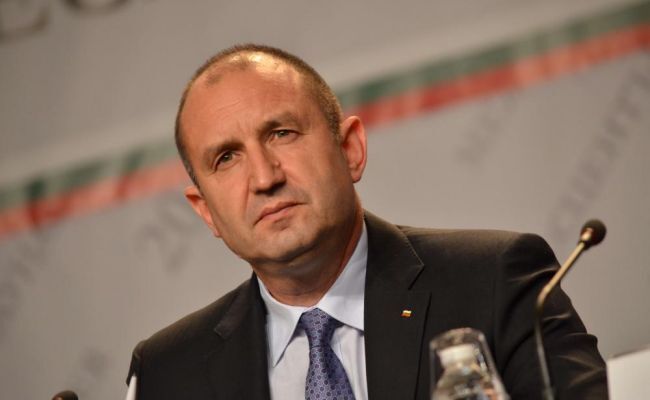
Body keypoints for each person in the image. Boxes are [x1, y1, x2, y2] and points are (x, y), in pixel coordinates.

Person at [126, 44, 607, 400]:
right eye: (226, 158)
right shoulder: (167, 373)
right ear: (205, 210)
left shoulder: (494, 281)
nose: (265, 178)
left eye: (282, 133)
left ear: (350, 149)